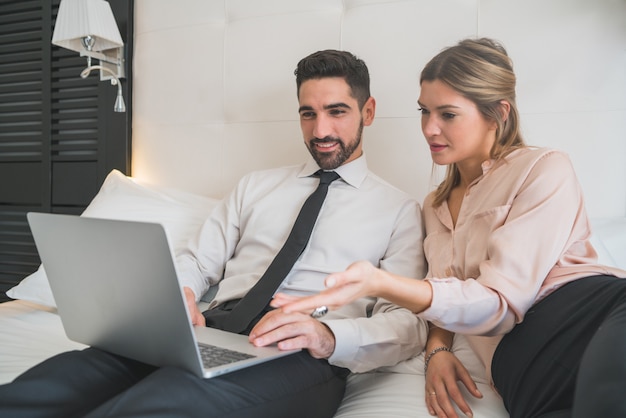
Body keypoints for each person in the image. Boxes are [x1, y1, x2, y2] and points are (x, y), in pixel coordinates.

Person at [0, 50, 428, 418]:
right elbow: (198, 262)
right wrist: (181, 294)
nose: (320, 131)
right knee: (52, 385)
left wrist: (329, 336)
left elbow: (407, 324)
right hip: (210, 332)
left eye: (337, 111)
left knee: (156, 405)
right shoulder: (256, 186)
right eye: (308, 113)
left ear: (367, 111)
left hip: (301, 353)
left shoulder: (400, 210)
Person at [273, 38, 626, 418]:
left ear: (498, 113)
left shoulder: (543, 168)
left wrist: (380, 282)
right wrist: (437, 349)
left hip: (589, 315)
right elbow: (449, 293)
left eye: (448, 115)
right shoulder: (434, 206)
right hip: (518, 367)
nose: (429, 128)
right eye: (425, 111)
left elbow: (500, 304)